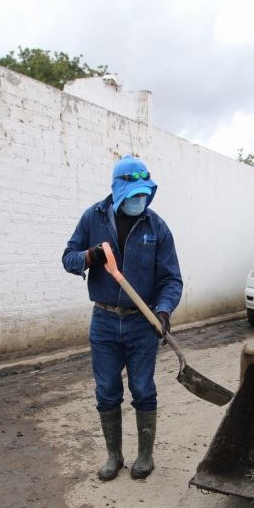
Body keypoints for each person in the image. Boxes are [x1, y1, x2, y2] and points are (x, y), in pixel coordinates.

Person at [62, 155, 182, 480]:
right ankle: (114, 456)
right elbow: (68, 258)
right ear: (118, 191)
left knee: (142, 388)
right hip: (104, 320)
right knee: (106, 389)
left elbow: (171, 279)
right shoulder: (93, 218)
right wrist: (89, 257)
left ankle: (145, 456)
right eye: (133, 195)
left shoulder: (157, 227)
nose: (139, 200)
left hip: (142, 322)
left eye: (144, 194)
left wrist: (163, 311)